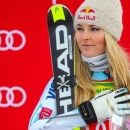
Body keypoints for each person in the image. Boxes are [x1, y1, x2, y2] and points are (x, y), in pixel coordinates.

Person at [28, 0, 130, 129]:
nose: (84, 36)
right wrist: (89, 112)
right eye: (80, 28)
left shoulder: (127, 80)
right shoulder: (64, 81)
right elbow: (35, 127)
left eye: (94, 28)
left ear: (111, 36)